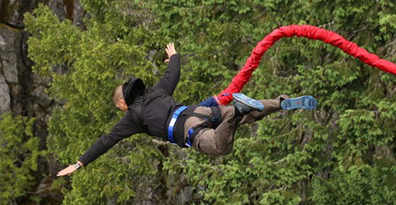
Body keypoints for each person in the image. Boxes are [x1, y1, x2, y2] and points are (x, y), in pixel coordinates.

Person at [57, 43, 317, 176]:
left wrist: (80, 162)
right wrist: (174, 55)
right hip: (202, 111)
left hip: (188, 130)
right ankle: (281, 103)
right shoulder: (157, 91)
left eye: (119, 107)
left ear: (123, 104)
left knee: (220, 145)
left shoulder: (133, 116)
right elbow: (174, 72)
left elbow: (107, 140)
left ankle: (237, 111)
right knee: (253, 113)